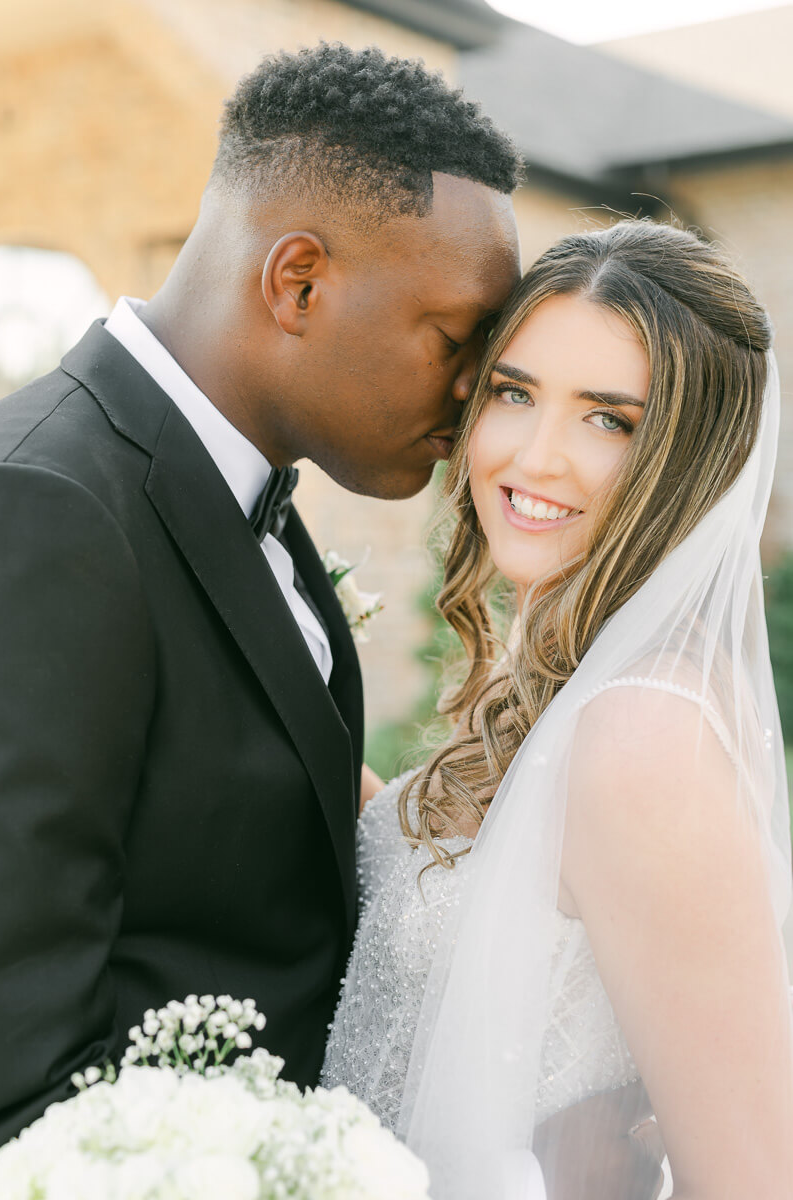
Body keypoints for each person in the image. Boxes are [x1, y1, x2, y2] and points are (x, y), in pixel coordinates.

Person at [0, 43, 522, 1147]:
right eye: (457, 338)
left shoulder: (247, 496)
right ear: (299, 282)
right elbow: (18, 1057)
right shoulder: (43, 507)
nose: (477, 392)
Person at [321, 220, 793, 1199]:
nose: (535, 458)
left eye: (608, 419)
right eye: (515, 393)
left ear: (689, 460)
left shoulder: (644, 733)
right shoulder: (557, 692)